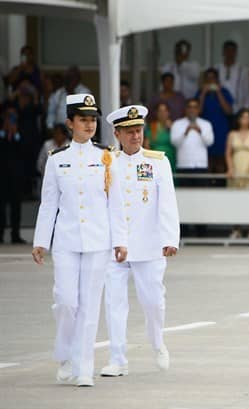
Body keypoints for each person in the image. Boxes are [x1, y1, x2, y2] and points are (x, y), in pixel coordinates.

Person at [31, 94, 128, 387]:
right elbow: (49, 204)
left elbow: (116, 201)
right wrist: (40, 240)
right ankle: (65, 352)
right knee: (65, 300)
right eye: (83, 120)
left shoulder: (106, 156)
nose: (89, 125)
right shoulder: (57, 159)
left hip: (98, 240)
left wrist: (120, 240)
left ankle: (83, 366)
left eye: (92, 120)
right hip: (66, 240)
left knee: (89, 305)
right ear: (69, 123)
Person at [100, 105, 180, 377]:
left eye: (139, 130)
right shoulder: (106, 161)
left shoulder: (157, 161)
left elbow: (167, 202)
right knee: (114, 302)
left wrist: (171, 238)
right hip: (115, 245)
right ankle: (117, 358)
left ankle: (158, 343)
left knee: (153, 301)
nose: (136, 136)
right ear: (117, 133)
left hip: (149, 243)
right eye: (130, 132)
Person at [225, 108, 249, 239]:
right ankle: (236, 229)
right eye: (243, 117)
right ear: (238, 119)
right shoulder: (232, 134)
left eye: (248, 117)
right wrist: (230, 168)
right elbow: (228, 153)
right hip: (236, 167)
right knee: (235, 199)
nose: (245, 120)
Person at [196, 68, 234, 176]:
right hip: (204, 131)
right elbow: (198, 111)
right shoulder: (200, 92)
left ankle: (220, 187)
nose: (210, 81)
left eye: (213, 78)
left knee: (221, 160)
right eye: (208, 79)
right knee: (207, 160)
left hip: (221, 130)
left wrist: (218, 92)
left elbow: (229, 111)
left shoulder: (224, 92)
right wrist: (203, 93)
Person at [170, 98, 214, 186]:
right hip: (183, 165)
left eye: (195, 107)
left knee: (201, 196)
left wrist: (200, 131)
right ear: (185, 109)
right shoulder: (177, 124)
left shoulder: (206, 124)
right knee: (184, 196)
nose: (192, 110)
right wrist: (185, 133)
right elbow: (174, 142)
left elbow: (210, 142)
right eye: (189, 107)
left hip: (201, 166)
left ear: (198, 109)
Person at [0, 105, 27, 244]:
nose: (10, 120)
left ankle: (15, 235)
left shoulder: (21, 132)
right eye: (8, 116)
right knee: (1, 207)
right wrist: (4, 132)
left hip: (16, 176)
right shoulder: (1, 133)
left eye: (13, 117)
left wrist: (16, 134)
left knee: (16, 207)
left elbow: (25, 152)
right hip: (2, 176)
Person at [46, 66, 91, 130]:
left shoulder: (85, 92)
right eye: (67, 77)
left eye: (72, 77)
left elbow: (87, 113)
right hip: (60, 132)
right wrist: (50, 126)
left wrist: (71, 93)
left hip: (78, 130)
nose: (69, 80)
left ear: (78, 78)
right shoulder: (59, 93)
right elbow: (51, 112)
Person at [214, 40, 249, 114]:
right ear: (223, 52)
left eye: (232, 51)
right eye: (227, 51)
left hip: (238, 109)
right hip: (219, 109)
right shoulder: (217, 68)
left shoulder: (242, 70)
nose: (230, 53)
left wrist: (246, 109)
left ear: (236, 53)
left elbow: (247, 92)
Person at [145, 102, 176, 171]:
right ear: (156, 113)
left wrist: (172, 129)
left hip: (171, 159)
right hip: (155, 160)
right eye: (160, 111)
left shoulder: (174, 126)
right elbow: (147, 145)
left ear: (169, 112)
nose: (162, 113)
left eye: (165, 111)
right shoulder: (152, 126)